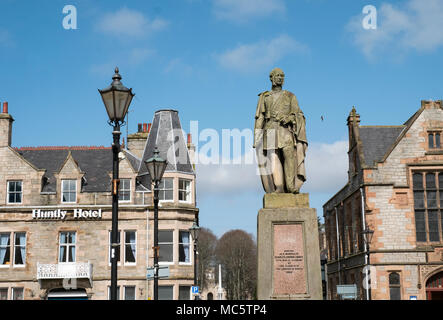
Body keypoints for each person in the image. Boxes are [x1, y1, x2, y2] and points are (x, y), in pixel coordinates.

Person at [253, 68, 308, 194]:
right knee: (274, 157)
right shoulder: (265, 97)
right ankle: (279, 187)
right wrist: (256, 137)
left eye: (282, 76)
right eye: (277, 76)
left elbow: (299, 114)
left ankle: (290, 186)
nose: (280, 78)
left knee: (289, 155)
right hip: (270, 128)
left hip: (285, 129)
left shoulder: (290, 96)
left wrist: (289, 118)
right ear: (271, 78)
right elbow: (260, 117)